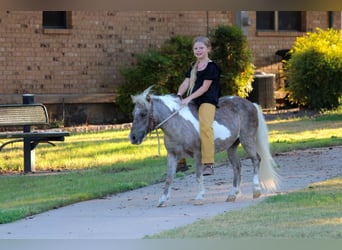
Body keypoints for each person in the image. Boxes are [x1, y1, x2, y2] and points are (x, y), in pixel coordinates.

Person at [176, 36, 221, 176]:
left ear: (208, 49)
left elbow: (204, 88)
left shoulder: (212, 67)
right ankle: (180, 161)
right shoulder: (193, 66)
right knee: (178, 124)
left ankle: (208, 164)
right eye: (195, 48)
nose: (198, 50)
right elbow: (186, 83)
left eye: (201, 48)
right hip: (193, 100)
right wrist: (179, 94)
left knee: (205, 127)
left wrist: (188, 98)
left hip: (207, 100)